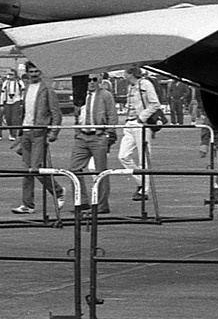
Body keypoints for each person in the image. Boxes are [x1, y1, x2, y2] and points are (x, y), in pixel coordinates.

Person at [12, 62, 64, 214]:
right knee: (26, 171)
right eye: (31, 72)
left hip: (39, 134)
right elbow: (24, 112)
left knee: (35, 169)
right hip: (26, 133)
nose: (34, 74)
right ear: (27, 73)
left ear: (40, 72)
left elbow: (56, 113)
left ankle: (58, 191)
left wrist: (53, 133)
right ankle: (27, 205)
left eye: (36, 71)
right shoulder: (26, 88)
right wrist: (20, 133)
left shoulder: (47, 89)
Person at [69, 75, 118, 214]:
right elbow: (77, 115)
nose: (91, 83)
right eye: (88, 80)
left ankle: (102, 205)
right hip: (82, 136)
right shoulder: (80, 95)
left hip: (98, 136)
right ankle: (82, 201)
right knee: (73, 169)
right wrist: (77, 132)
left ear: (100, 81)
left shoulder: (105, 95)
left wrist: (108, 135)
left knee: (101, 171)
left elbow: (112, 116)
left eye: (94, 80)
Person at [118, 66, 163, 202]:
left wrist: (141, 118)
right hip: (129, 123)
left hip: (141, 124)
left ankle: (144, 190)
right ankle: (141, 181)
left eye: (124, 72)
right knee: (123, 156)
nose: (122, 74)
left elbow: (155, 104)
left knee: (143, 158)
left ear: (130, 73)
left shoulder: (145, 84)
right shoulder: (131, 86)